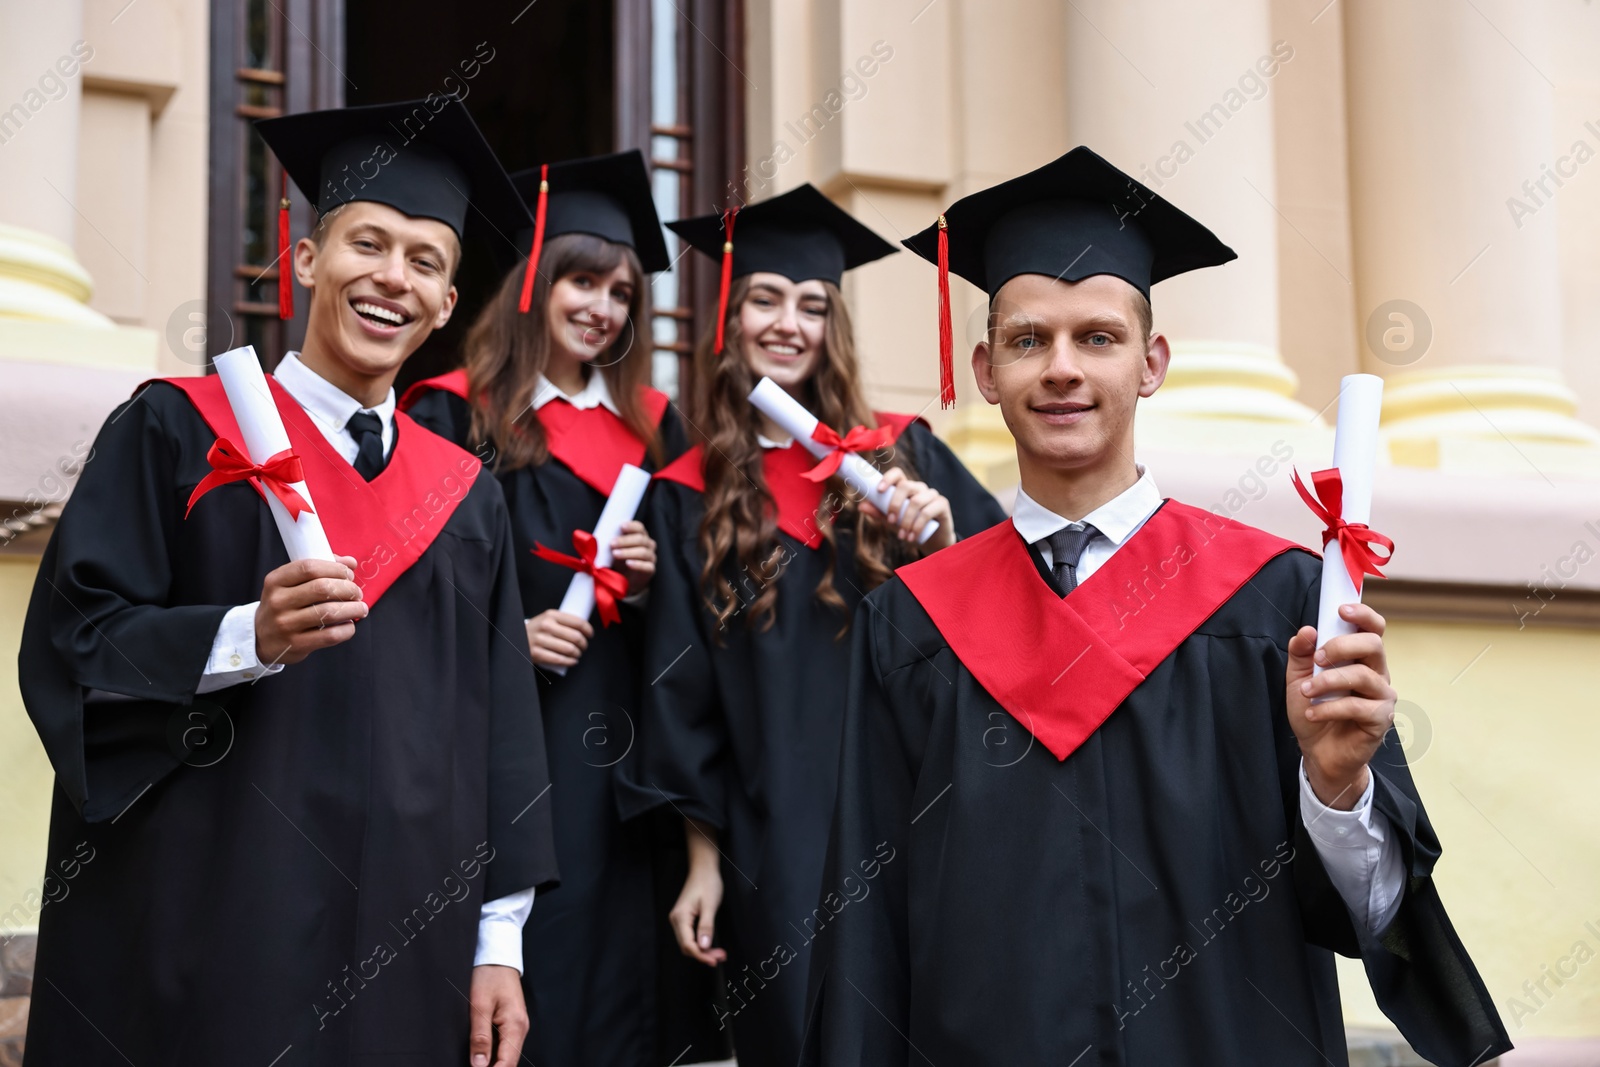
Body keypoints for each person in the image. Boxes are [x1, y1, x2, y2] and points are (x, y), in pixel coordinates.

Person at [799, 147, 1511, 1066]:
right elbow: (864, 928)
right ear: (984, 369)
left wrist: (1337, 790)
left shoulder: (1276, 602)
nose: (1060, 368)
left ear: (1152, 362)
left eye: (1097, 337)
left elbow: (1371, 908)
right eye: (1028, 340)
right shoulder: (910, 624)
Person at [18, 99, 559, 1067]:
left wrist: (499, 945)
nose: (391, 277)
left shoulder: (466, 499)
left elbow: (504, 734)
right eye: (368, 242)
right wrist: (242, 636)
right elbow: (74, 642)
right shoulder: (177, 432)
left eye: (425, 261)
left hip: (407, 940)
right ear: (308, 259)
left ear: (445, 304)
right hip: (213, 924)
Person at [628, 183, 1008, 1067]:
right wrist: (704, 861)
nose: (788, 323)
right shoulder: (688, 490)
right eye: (765, 298)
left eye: (811, 305)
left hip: (915, 812)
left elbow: (1005, 602)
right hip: (778, 836)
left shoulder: (901, 456)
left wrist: (939, 541)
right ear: (732, 312)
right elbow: (681, 696)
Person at [401, 149, 722, 1066]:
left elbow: (699, 623)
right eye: (583, 280)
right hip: (504, 741)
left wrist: (661, 570)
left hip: (625, 754)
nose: (602, 307)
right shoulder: (454, 418)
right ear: (536, 282)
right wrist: (507, 639)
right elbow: (411, 594)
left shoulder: (660, 431)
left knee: (620, 976)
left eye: (621, 292)